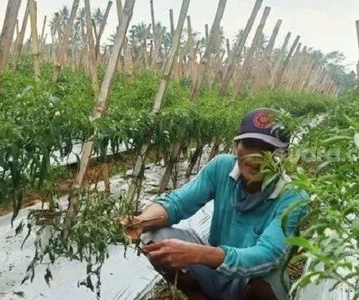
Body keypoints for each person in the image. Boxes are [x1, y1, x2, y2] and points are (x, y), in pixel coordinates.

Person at [122, 108, 308, 300]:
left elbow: (267, 255)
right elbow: (177, 203)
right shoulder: (222, 167)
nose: (257, 157)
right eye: (250, 144)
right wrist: (139, 222)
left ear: (284, 155)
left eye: (268, 150)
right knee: (155, 235)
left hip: (247, 280)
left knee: (268, 278)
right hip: (215, 269)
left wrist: (198, 254)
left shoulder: (293, 197)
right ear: (237, 146)